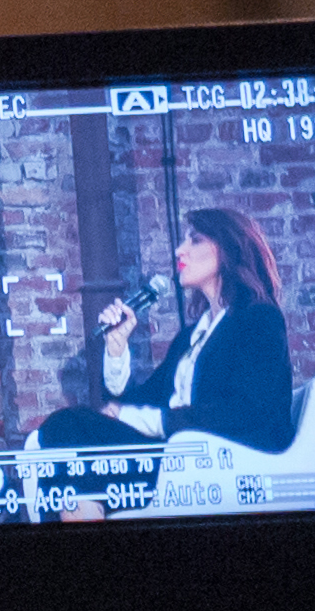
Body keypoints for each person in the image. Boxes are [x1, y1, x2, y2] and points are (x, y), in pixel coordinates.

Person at [32, 204, 296, 497]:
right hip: (173, 454)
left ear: (228, 249)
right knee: (67, 429)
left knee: (67, 428)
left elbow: (246, 410)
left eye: (195, 240)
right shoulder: (191, 337)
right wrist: (116, 350)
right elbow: (145, 401)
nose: (179, 251)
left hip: (219, 460)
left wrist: (144, 419)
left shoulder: (258, 319)